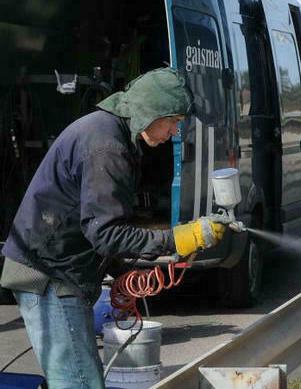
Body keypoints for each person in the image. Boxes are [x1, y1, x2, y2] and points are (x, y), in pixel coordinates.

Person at [0, 67, 227, 389]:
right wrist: (178, 238)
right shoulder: (107, 145)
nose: (175, 132)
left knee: (79, 379)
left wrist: (119, 271)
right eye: (174, 121)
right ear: (152, 110)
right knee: (79, 383)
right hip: (48, 274)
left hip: (58, 268)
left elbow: (94, 222)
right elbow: (105, 233)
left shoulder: (108, 132)